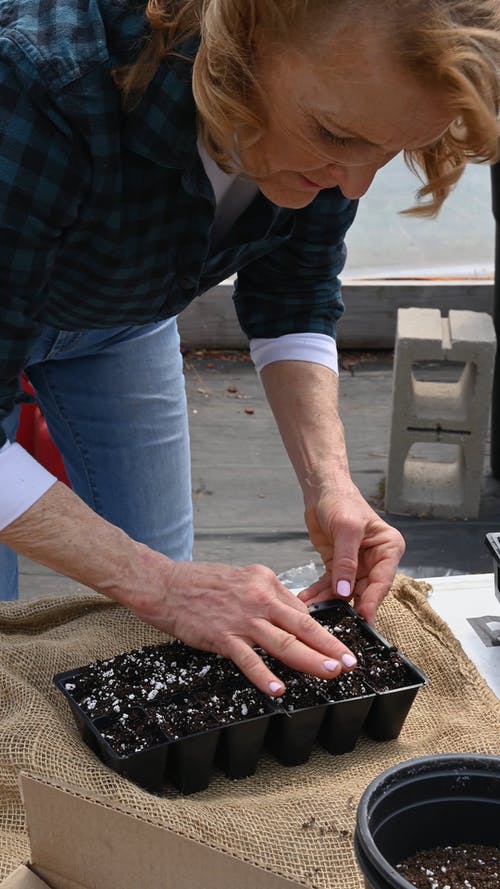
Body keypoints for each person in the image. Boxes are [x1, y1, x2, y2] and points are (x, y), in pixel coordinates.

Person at [0, 0, 498, 695]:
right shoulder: (40, 83)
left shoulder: (337, 104)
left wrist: (332, 484)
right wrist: (163, 586)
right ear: (248, 37)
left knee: (165, 595)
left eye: (384, 153)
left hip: (118, 317)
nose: (352, 184)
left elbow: (293, 295)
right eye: (334, 135)